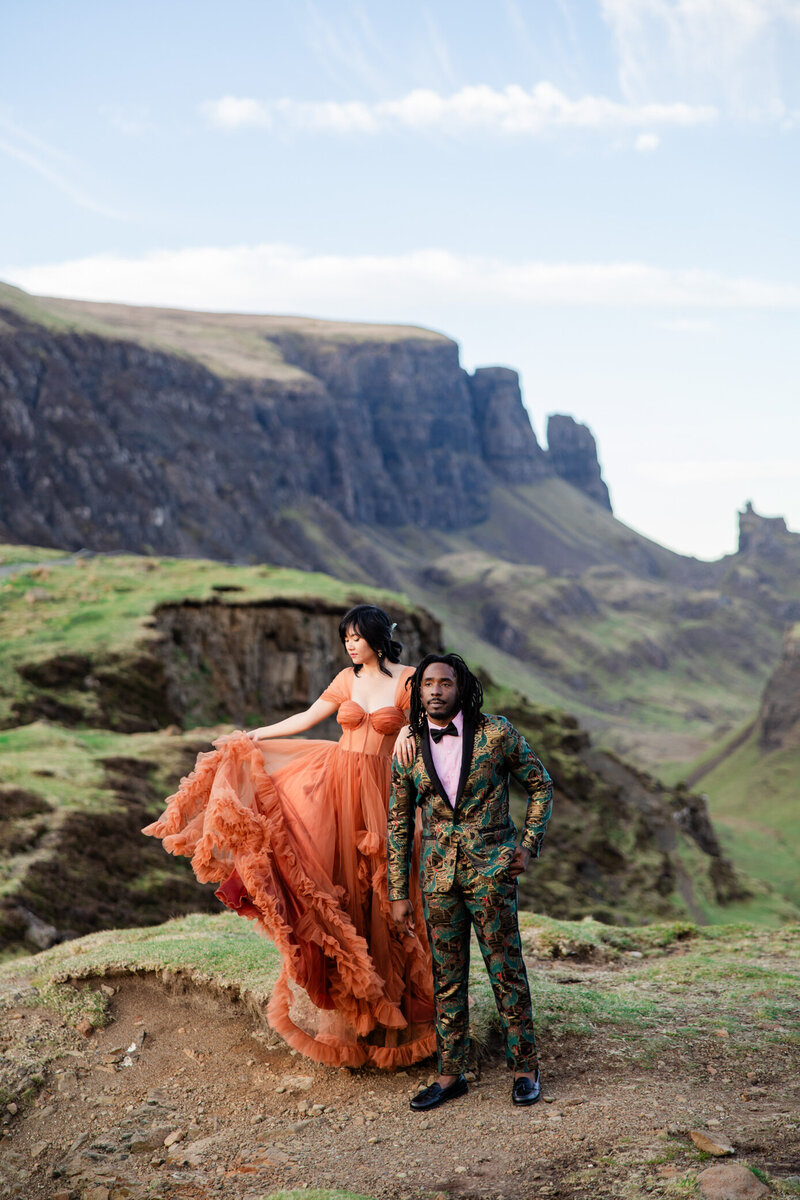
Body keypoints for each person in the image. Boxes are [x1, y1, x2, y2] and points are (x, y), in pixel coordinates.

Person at [143, 604, 435, 1069]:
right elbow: (304, 718)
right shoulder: (347, 679)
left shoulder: (410, 679)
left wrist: (412, 734)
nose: (350, 644)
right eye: (346, 638)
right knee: (338, 884)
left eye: (356, 637)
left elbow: (437, 722)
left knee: (381, 891)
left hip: (382, 789)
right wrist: (250, 736)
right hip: (336, 783)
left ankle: (394, 1014)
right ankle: (354, 1013)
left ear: (378, 636)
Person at [387, 653, 553, 1110]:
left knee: (506, 969)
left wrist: (528, 844)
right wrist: (398, 892)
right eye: (427, 684)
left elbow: (540, 784)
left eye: (445, 682)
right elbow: (399, 823)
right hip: (438, 879)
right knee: (447, 978)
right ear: (418, 692)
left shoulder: (496, 732)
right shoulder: (408, 748)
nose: (436, 690)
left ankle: (525, 1067)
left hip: (492, 874)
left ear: (461, 688)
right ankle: (449, 1074)